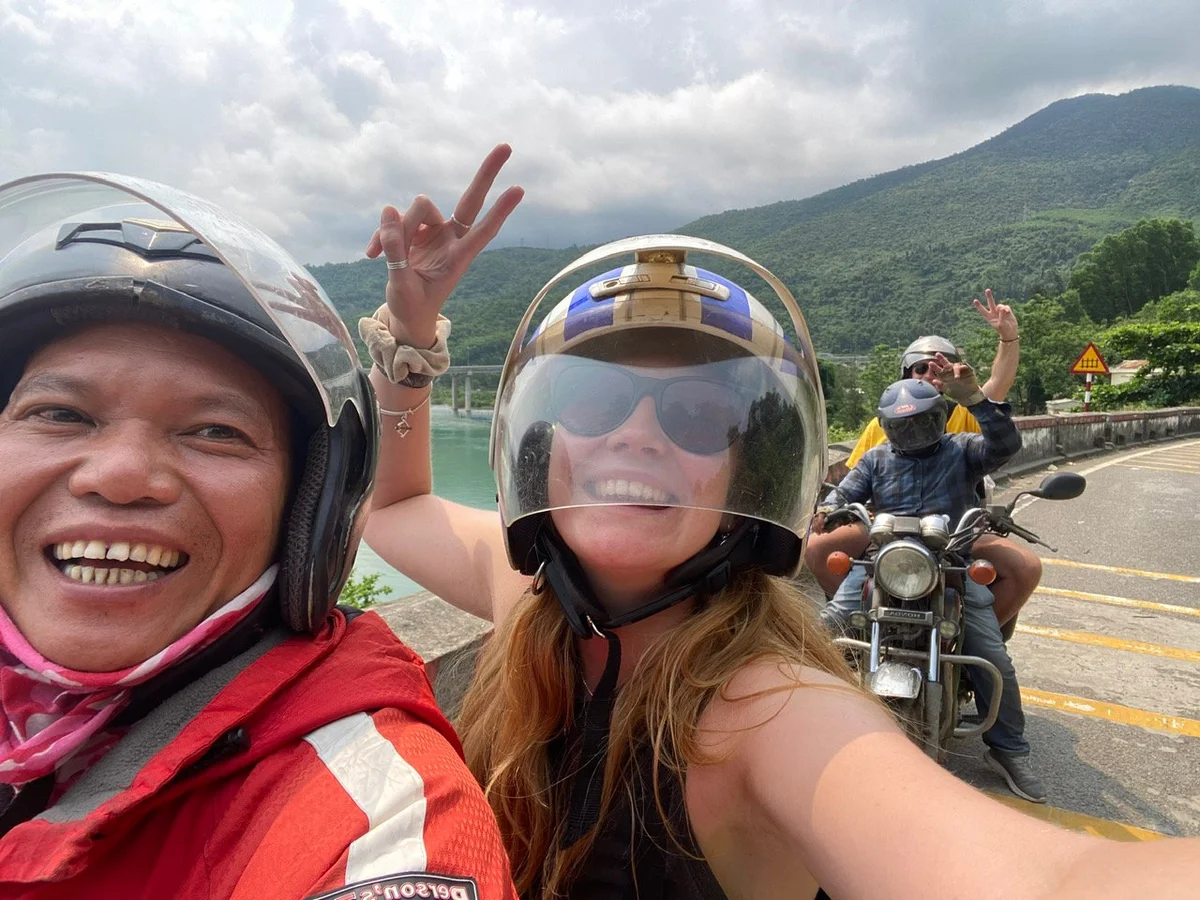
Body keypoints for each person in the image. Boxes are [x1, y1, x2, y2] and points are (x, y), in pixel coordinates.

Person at [363, 145, 1200, 899]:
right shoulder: (522, 595)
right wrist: (408, 341)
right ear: (546, 444)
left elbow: (1047, 877)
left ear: (746, 474)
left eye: (698, 417)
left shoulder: (770, 709)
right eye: (593, 401)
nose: (636, 431)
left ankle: (1006, 738)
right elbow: (394, 507)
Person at [0, 173, 516, 899]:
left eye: (216, 430)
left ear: (304, 510)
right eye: (59, 414)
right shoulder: (534, 570)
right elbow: (404, 507)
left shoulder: (371, 819)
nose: (119, 475)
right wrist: (409, 339)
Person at [815, 369, 1041, 801]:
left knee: (990, 654)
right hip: (885, 561)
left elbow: (1006, 446)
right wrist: (832, 508)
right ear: (887, 426)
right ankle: (814, 722)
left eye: (922, 420)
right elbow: (843, 494)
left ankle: (1010, 749)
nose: (914, 430)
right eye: (903, 424)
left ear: (939, 417)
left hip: (951, 563)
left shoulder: (963, 449)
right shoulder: (876, 459)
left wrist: (975, 398)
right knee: (823, 629)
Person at [806, 308, 1041, 635]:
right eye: (922, 368)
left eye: (942, 368)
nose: (933, 375)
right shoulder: (880, 432)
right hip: (886, 532)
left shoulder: (964, 428)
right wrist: (831, 508)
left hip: (953, 533)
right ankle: (864, 625)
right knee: (820, 558)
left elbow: (1002, 430)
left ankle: (967, 639)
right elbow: (850, 486)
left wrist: (1005, 342)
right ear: (905, 375)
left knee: (1021, 574)